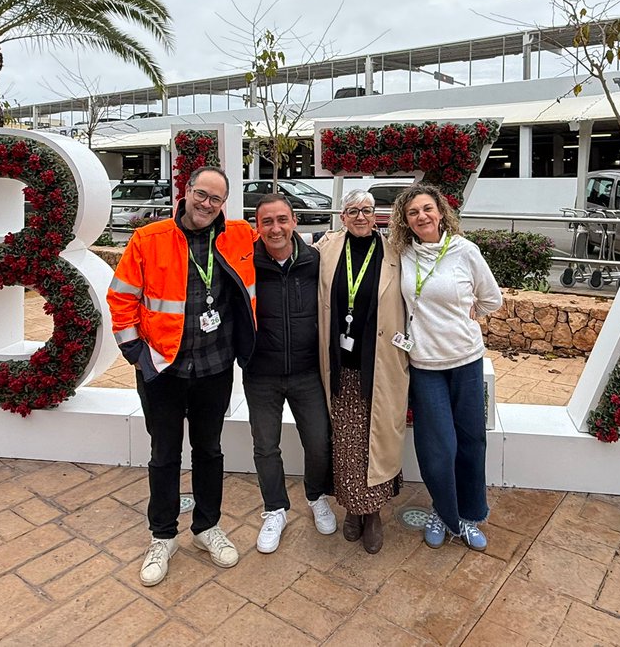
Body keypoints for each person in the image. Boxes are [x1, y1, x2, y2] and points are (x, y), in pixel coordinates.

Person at [107, 165, 257, 587]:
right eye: (201, 195)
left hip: (215, 367)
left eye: (216, 199)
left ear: (224, 204)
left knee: (209, 450)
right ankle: (163, 535)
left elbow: (282, 237)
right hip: (163, 368)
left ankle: (208, 526)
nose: (207, 204)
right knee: (164, 453)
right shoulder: (148, 239)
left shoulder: (238, 235)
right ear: (186, 192)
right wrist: (136, 353)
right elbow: (121, 297)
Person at [389, 183, 502, 551]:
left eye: (427, 209)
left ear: (441, 212)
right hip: (424, 364)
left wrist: (473, 316)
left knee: (470, 442)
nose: (422, 216)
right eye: (413, 213)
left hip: (465, 360)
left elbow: (492, 298)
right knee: (437, 447)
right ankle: (443, 510)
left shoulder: (464, 251)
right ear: (406, 222)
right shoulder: (403, 254)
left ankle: (468, 516)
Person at [316, 189, 410, 554]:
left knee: (378, 441)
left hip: (380, 365)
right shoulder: (326, 249)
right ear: (342, 216)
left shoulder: (396, 253)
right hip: (341, 367)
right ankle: (352, 510)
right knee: (346, 443)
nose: (360, 216)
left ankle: (373, 514)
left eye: (367, 211)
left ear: (377, 216)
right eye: (353, 210)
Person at [245, 193, 337, 553]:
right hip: (261, 373)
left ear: (294, 221)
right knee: (265, 447)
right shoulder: (246, 263)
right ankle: (275, 509)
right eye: (267, 221)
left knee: (318, 443)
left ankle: (316, 497)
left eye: (282, 219)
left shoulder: (315, 261)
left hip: (307, 372)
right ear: (258, 226)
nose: (275, 228)